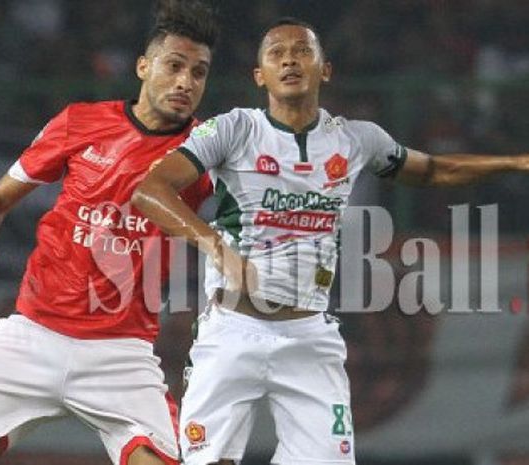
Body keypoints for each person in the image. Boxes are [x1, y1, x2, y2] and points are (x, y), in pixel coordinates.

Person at [131, 17, 529, 465]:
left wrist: (515, 161)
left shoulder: (357, 139)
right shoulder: (233, 130)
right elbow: (150, 190)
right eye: (276, 54)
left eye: (301, 51)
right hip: (232, 332)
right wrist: (218, 248)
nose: (289, 60)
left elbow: (436, 170)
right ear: (259, 75)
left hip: (309, 335)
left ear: (325, 69)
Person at [0, 2, 218, 464]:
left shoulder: (207, 151)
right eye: (174, 66)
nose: (185, 82)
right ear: (144, 66)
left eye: (198, 73)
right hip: (30, 338)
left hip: (122, 353)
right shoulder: (80, 122)